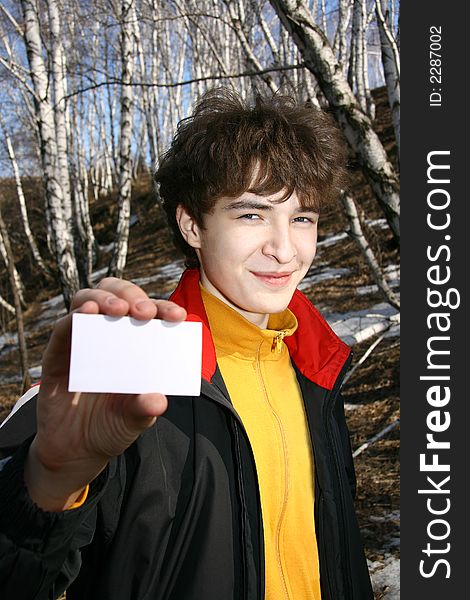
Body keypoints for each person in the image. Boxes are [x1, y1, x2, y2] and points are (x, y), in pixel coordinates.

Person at [0, 89, 373, 600]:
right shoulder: (121, 373)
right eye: (251, 215)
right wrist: (48, 478)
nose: (285, 249)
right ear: (192, 224)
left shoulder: (316, 367)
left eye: (302, 218)